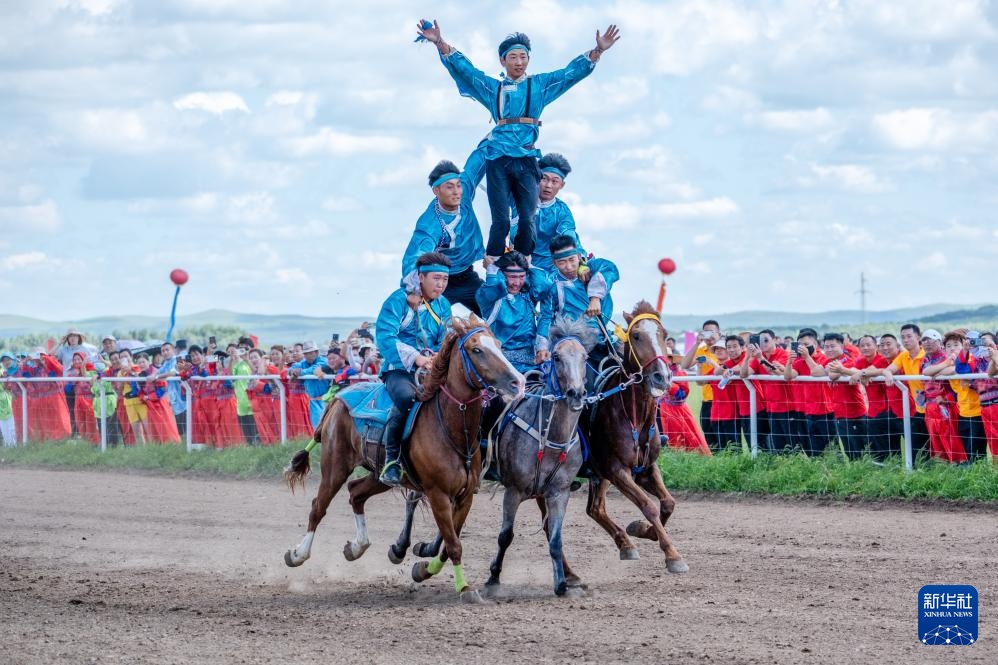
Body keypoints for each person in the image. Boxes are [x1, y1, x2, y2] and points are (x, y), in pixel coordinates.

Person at [417, 20, 620, 266]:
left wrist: (596, 52)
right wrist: (440, 42)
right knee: (501, 220)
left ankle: (524, 262)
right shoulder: (494, 89)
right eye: (512, 57)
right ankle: (491, 262)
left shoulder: (540, 86)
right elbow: (467, 71)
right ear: (503, 61)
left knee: (527, 218)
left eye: (523, 56)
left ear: (528, 59)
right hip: (498, 159)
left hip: (525, 158)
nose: (518, 62)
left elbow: (569, 74)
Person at [376, 251, 453, 486]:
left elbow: (446, 337)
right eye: (436, 278)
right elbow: (385, 336)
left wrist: (440, 356)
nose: (440, 285)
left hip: (433, 370)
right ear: (421, 277)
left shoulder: (443, 305)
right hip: (399, 369)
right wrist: (417, 358)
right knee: (409, 398)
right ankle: (392, 459)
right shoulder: (398, 300)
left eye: (445, 280)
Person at [401, 148, 488, 315]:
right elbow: (415, 255)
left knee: (494, 313)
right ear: (436, 191)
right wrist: (412, 290)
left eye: (458, 185)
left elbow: (477, 163)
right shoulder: (429, 223)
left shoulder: (464, 192)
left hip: (468, 277)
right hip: (440, 281)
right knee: (423, 323)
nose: (456, 192)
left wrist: (498, 133)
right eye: (449, 187)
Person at [536, 234, 619, 374]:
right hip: (573, 345)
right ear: (554, 263)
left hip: (602, 339)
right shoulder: (551, 284)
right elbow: (546, 318)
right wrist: (542, 347)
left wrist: (595, 298)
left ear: (579, 257)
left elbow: (611, 269)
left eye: (572, 260)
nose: (568, 267)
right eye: (562, 262)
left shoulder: (592, 268)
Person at [475, 250, 551, 373]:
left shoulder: (528, 296)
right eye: (512, 277)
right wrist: (493, 268)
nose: (516, 283)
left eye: (521, 277)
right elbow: (494, 287)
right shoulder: (489, 298)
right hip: (500, 365)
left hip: (531, 364)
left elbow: (544, 284)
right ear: (502, 275)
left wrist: (529, 265)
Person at [508, 153, 585, 271]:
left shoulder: (561, 211)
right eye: (544, 179)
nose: (548, 185)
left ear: (562, 185)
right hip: (519, 264)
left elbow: (569, 238)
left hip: (550, 269)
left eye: (554, 181)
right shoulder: (517, 199)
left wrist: (582, 262)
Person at [879, 323, 930, 459]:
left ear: (918, 337)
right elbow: (888, 369)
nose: (906, 340)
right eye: (903, 337)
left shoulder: (927, 355)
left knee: (935, 446)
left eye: (909, 336)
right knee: (918, 448)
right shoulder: (904, 356)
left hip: (935, 406)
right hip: (919, 410)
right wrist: (888, 374)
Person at [918, 330, 967, 463]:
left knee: (950, 437)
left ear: (940, 343)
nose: (927, 344)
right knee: (935, 438)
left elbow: (953, 383)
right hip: (930, 406)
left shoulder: (947, 356)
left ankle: (957, 464)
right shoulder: (924, 360)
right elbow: (925, 375)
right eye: (924, 341)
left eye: (932, 340)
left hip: (945, 404)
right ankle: (942, 466)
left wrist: (947, 398)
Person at [783, 329, 834, 456]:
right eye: (800, 345)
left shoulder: (824, 358)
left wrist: (807, 357)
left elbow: (817, 372)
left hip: (826, 409)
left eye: (806, 345)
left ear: (815, 345)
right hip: (808, 410)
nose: (802, 348)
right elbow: (788, 376)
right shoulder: (798, 362)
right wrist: (789, 362)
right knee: (812, 446)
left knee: (831, 445)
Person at [741, 329, 792, 453]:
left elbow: (774, 372)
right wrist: (747, 356)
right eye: (760, 341)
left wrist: (760, 358)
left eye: (766, 340)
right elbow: (744, 374)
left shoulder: (784, 354)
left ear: (774, 340)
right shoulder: (758, 358)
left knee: (793, 443)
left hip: (789, 408)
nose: (763, 343)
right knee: (778, 445)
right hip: (770, 407)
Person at [819, 333, 868, 460]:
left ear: (841, 345)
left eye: (832, 346)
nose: (829, 349)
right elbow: (815, 371)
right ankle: (855, 475)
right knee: (849, 450)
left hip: (854, 412)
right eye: (826, 347)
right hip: (839, 412)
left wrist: (834, 370)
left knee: (861, 450)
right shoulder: (828, 361)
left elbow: (832, 375)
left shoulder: (849, 359)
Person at [850, 335, 895, 460]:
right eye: (862, 345)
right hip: (872, 410)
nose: (865, 348)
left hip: (887, 409)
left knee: (889, 444)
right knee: (875, 445)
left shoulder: (881, 359)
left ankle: (893, 469)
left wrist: (860, 373)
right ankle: (880, 470)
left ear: (876, 346)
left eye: (868, 344)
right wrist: (858, 373)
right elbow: (855, 372)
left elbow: (870, 370)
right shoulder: (860, 361)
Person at [682, 320, 723, 452]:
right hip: (707, 401)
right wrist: (696, 343)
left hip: (724, 401)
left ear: (719, 333)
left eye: (712, 332)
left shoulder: (726, 350)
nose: (709, 336)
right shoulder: (701, 350)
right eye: (706, 332)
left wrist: (712, 363)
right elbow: (684, 365)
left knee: (725, 439)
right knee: (710, 438)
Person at [658, 354, 711, 455]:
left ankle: (684, 456)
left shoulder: (680, 373)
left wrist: (669, 385)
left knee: (686, 435)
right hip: (662, 409)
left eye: (668, 358)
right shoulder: (659, 372)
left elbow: (682, 395)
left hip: (677, 410)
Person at [18, 352, 71, 441]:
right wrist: (25, 361)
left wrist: (46, 359)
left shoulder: (52, 365)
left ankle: (63, 439)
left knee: (59, 419)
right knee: (45, 421)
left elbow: (60, 370)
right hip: (41, 399)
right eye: (37, 356)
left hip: (55, 397)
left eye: (41, 355)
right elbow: (25, 375)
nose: (38, 358)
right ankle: (48, 440)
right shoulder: (34, 369)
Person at [138, 354, 180, 444]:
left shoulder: (156, 372)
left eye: (143, 362)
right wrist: (143, 397)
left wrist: (150, 397)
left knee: (165, 427)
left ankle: (171, 445)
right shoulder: (140, 375)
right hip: (150, 405)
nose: (141, 364)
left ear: (148, 362)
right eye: (139, 363)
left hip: (160, 404)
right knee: (154, 429)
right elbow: (140, 391)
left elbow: (163, 388)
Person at [288, 341, 330, 430]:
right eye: (306, 353)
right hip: (313, 400)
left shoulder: (323, 361)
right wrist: (292, 371)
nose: (308, 356)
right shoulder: (303, 363)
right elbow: (293, 367)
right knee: (318, 428)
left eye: (311, 353)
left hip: (327, 399)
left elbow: (316, 368)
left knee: (328, 426)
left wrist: (300, 372)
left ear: (316, 352)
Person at [154, 342, 187, 438]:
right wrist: (154, 376)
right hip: (172, 403)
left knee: (187, 432)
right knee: (178, 432)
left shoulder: (181, 359)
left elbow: (173, 373)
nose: (165, 352)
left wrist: (157, 376)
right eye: (163, 351)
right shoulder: (164, 364)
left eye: (167, 350)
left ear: (173, 350)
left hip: (184, 403)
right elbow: (156, 373)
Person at [66, 352, 98, 444]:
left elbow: (93, 385)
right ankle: (85, 442)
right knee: (80, 421)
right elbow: (68, 389)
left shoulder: (91, 370)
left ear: (84, 359)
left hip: (89, 399)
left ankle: (94, 442)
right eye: (74, 359)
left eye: (79, 359)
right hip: (78, 399)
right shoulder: (72, 372)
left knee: (90, 421)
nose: (76, 361)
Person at [229, 347, 257, 445]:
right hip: (241, 397)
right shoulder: (235, 365)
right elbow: (231, 377)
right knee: (245, 421)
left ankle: (257, 442)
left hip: (251, 395)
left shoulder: (250, 362)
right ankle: (250, 444)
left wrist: (247, 359)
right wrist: (232, 360)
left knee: (253, 420)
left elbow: (256, 372)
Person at [0, 352, 17, 446]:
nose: (6, 362)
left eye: (8, 359)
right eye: (4, 361)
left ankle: (14, 445)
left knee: (12, 424)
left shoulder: (4, 372)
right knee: (3, 424)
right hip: (2, 402)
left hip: (9, 400)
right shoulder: (5, 372)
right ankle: (8, 445)